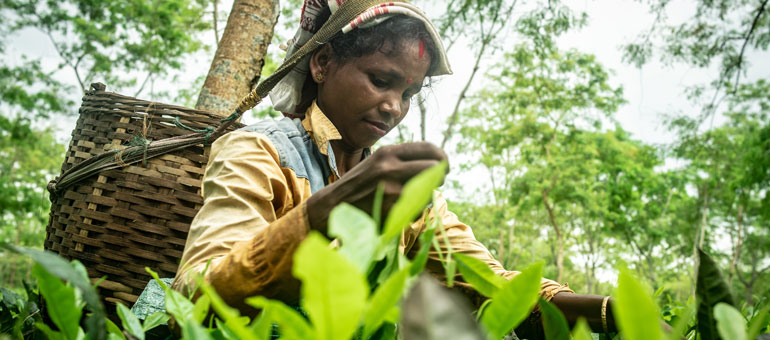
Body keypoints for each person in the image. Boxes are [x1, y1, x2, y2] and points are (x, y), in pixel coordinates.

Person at [169, 0, 619, 338]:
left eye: (409, 94)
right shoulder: (257, 151)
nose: (393, 107)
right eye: (381, 81)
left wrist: (607, 313)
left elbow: (488, 281)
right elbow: (196, 295)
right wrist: (330, 209)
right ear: (322, 63)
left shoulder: (404, 193)